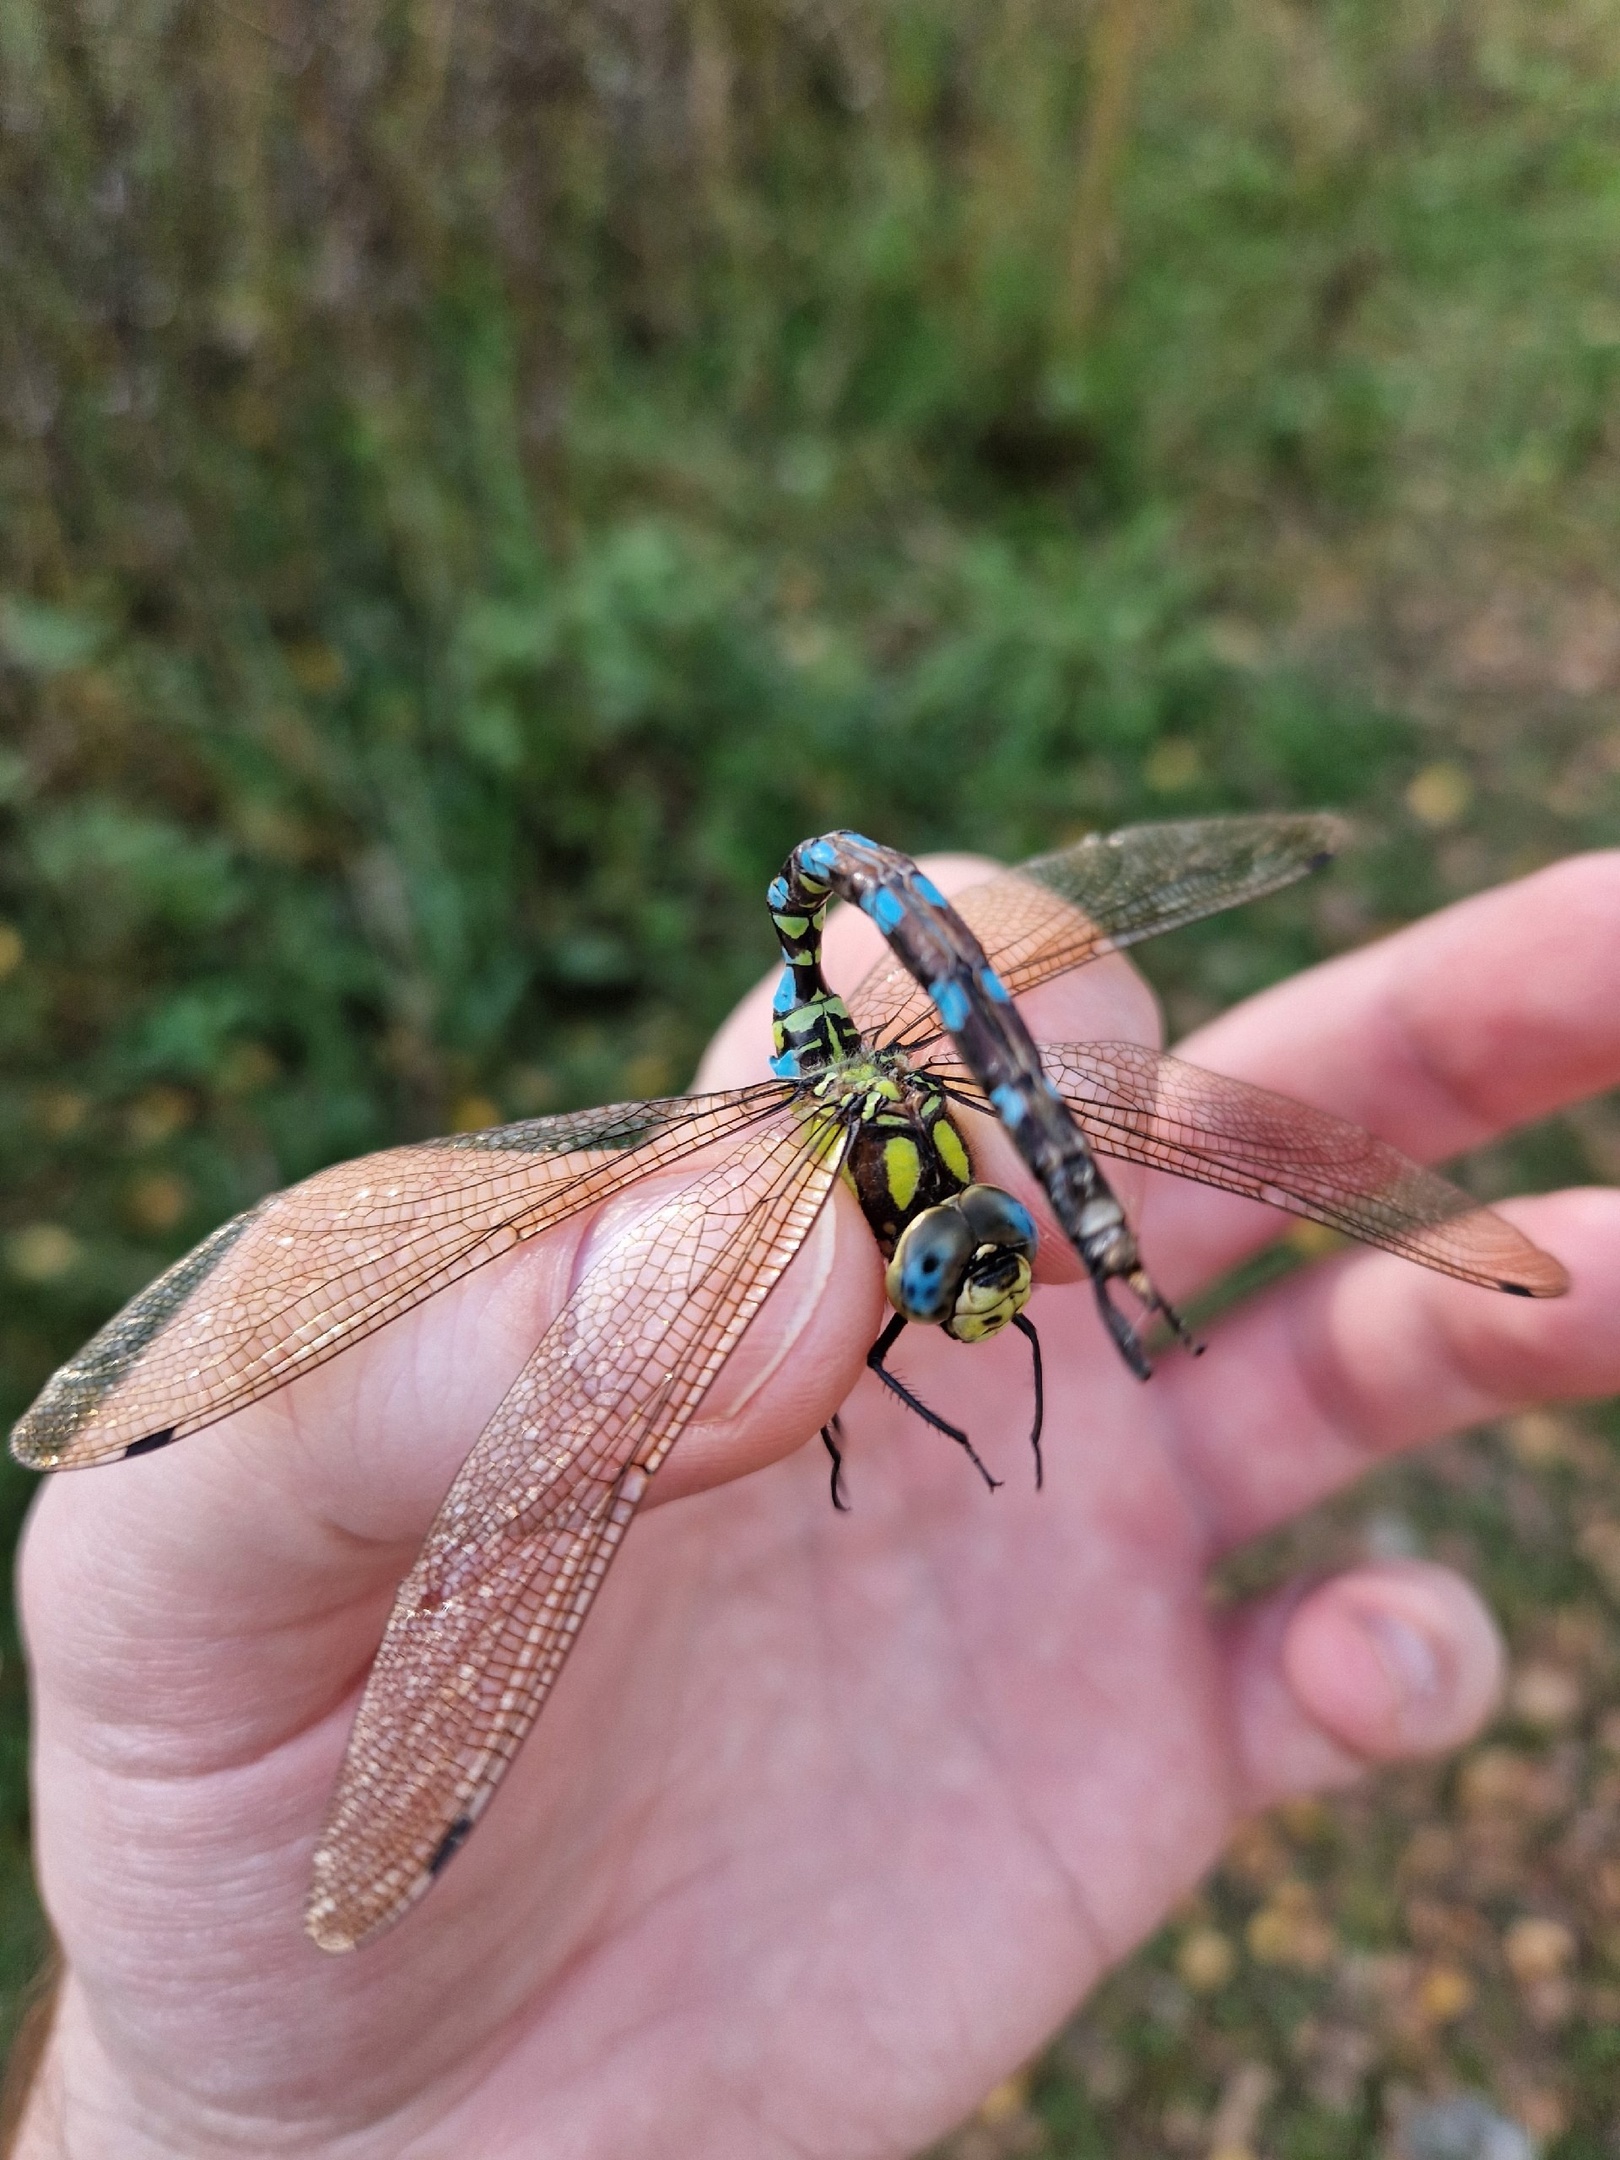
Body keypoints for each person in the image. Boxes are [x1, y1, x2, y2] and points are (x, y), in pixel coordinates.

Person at [7, 846, 1619, 2160]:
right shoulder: (773, 1185)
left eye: (974, 1262)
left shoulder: (964, 1160)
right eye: (955, 1277)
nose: (980, 1296)